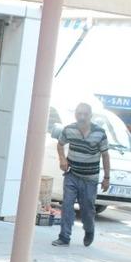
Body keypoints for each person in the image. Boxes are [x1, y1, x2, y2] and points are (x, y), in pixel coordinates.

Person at [52, 103, 110, 247]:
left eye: (85, 114)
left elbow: (105, 155)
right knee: (67, 205)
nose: (82, 117)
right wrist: (62, 159)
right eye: (79, 114)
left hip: (90, 179)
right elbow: (60, 145)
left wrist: (106, 178)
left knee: (87, 209)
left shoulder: (99, 133)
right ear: (75, 115)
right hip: (72, 175)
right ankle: (64, 237)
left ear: (90, 115)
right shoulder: (69, 129)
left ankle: (89, 230)